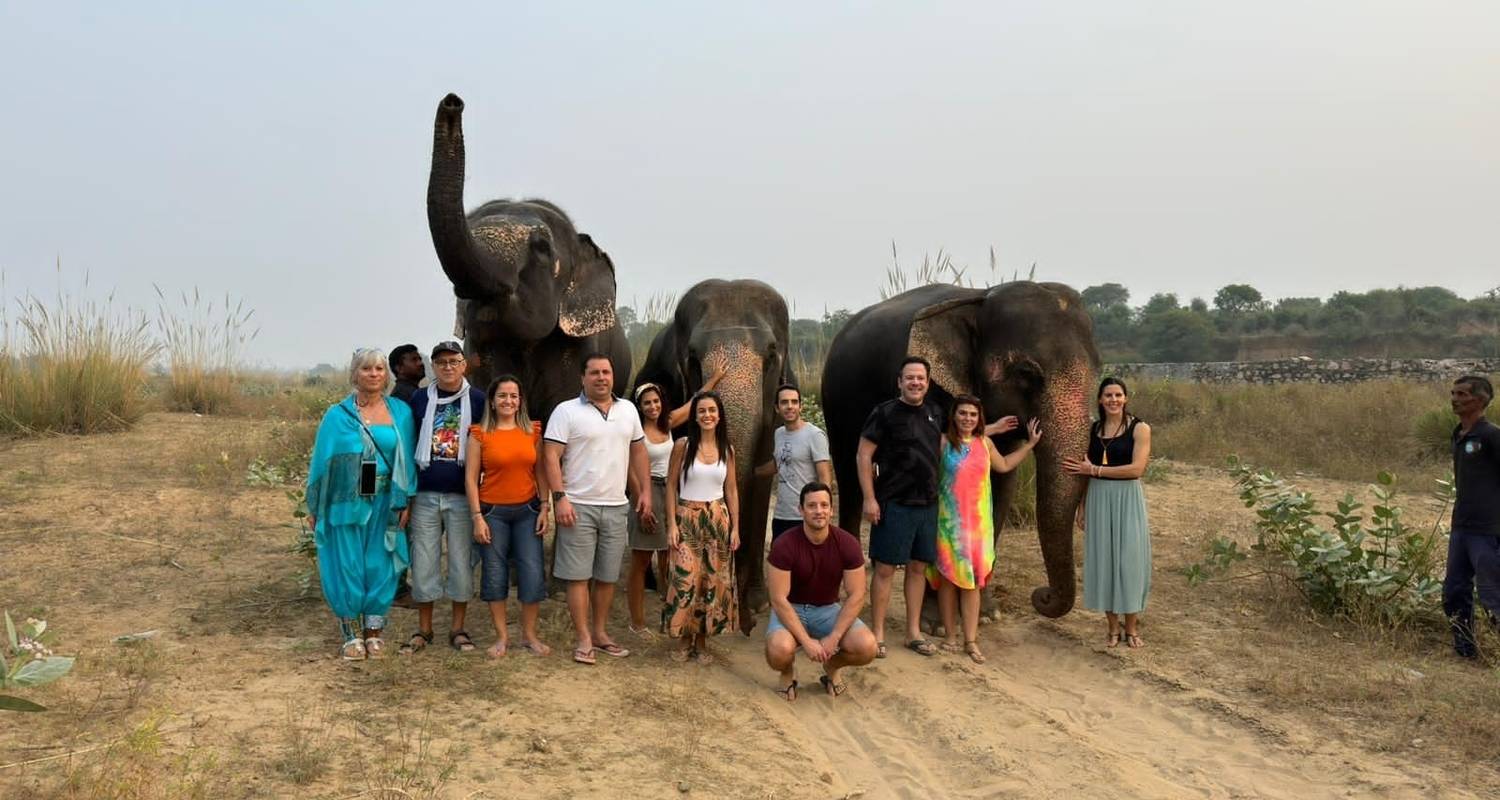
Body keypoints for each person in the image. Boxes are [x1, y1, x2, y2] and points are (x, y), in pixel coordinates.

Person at [857, 356, 1009, 658]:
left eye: (921, 378)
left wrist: (991, 428)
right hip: (893, 503)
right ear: (900, 381)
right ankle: (878, 633)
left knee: (917, 569)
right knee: (885, 569)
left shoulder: (934, 412)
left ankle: (913, 633)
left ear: (927, 383)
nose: (915, 383)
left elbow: (960, 437)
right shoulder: (884, 413)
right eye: (909, 378)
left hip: (928, 506)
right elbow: (864, 455)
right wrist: (870, 497)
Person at [305, 348, 417, 660]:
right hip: (344, 502)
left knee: (380, 564)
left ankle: (374, 632)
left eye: (379, 369)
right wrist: (315, 507)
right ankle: (350, 633)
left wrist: (405, 499)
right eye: (366, 369)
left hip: (385, 501)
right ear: (355, 374)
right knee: (347, 564)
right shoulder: (337, 415)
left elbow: (405, 459)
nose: (373, 374)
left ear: (387, 374)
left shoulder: (400, 413)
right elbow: (321, 463)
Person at [544, 353, 653, 665]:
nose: (601, 377)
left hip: (617, 506)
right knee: (578, 576)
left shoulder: (628, 409)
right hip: (577, 506)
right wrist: (560, 497)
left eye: (606, 372)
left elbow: (639, 451)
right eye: (594, 373)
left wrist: (644, 490)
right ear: (583, 377)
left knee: (606, 576)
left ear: (613, 376)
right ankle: (583, 638)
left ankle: (601, 633)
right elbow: (551, 456)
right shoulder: (566, 412)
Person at [929, 395, 1035, 664]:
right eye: (963, 413)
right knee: (949, 581)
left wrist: (1030, 445)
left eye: (973, 415)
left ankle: (971, 640)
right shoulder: (942, 444)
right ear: (954, 416)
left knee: (973, 583)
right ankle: (951, 636)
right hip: (948, 525)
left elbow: (1006, 465)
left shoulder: (985, 444)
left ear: (979, 418)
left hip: (978, 528)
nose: (967, 418)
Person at [626, 361, 729, 636]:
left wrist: (715, 379)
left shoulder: (668, 424)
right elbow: (630, 470)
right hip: (646, 492)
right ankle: (637, 620)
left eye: (656, 401)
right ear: (640, 407)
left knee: (669, 554)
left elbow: (696, 403)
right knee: (641, 558)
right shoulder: (635, 432)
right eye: (646, 403)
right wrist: (641, 502)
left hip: (672, 491)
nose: (652, 407)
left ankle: (668, 608)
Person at [402, 341, 488, 655]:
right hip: (425, 494)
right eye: (441, 362)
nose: (448, 367)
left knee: (461, 562)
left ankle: (458, 629)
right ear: (433, 367)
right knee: (423, 560)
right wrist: (407, 496)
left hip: (463, 497)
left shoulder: (478, 400)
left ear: (464, 365)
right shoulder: (419, 398)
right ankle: (424, 630)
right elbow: (410, 442)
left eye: (454, 361)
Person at [765, 482, 878, 700]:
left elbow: (856, 595)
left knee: (867, 647)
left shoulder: (848, 543)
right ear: (801, 510)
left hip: (827, 609)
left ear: (832, 510)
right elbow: (778, 599)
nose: (819, 511)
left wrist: (834, 638)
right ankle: (788, 673)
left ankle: (832, 667)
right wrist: (806, 643)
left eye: (824, 505)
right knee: (778, 650)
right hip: (792, 607)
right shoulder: (784, 544)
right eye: (812, 506)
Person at [1063, 377, 1153, 648]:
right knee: (1105, 562)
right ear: (1100, 400)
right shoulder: (1093, 430)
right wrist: (1082, 506)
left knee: (1129, 563)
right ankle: (1112, 628)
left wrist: (1096, 470)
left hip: (1127, 498)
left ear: (1125, 398)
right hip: (1099, 498)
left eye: (1118, 395)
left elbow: (1137, 469)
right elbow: (1085, 472)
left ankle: (1132, 627)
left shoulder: (1140, 428)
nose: (1113, 400)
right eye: (1108, 395)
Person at [466, 374, 551, 659]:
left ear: (520, 401)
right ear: (492, 400)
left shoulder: (533, 431)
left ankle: (529, 635)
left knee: (531, 571)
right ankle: (502, 637)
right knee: (494, 573)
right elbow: (470, 479)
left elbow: (540, 472)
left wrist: (545, 506)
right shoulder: (479, 433)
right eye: (502, 395)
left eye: (514, 396)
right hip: (492, 513)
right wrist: (477, 517)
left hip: (528, 510)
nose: (508, 401)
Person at [662, 391, 740, 663]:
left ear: (719, 416)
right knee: (686, 579)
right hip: (688, 515)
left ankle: (703, 641)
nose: (707, 415)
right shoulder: (683, 445)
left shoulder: (727, 449)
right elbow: (670, 485)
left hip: (718, 518)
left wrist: (735, 528)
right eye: (702, 411)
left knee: (712, 580)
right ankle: (684, 638)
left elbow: (731, 490)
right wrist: (671, 523)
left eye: (712, 411)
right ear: (694, 416)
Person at [1443, 374, 1500, 660]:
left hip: (1488, 529)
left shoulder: (1491, 436)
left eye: (1462, 394)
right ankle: (1465, 651)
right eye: (1453, 393)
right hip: (1461, 527)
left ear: (1480, 400)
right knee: (1454, 591)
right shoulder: (1458, 434)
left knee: (1493, 595)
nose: (1455, 398)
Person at [756, 384, 833, 541]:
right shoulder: (779, 434)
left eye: (794, 402)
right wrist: (752, 472)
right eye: (784, 402)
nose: (789, 406)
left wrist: (824, 512)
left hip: (806, 515)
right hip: (781, 514)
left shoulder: (815, 435)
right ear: (777, 408)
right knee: (780, 562)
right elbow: (779, 463)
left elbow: (825, 477)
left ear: (800, 406)